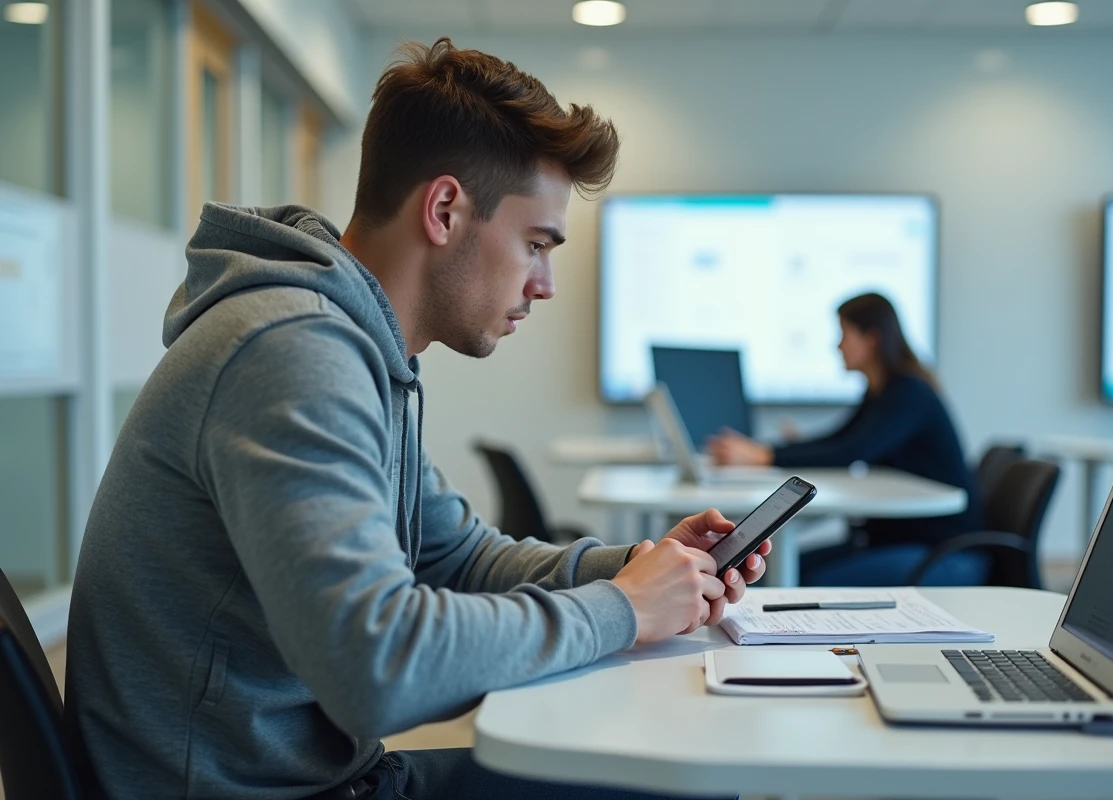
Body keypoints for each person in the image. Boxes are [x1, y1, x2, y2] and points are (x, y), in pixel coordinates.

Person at [64, 39, 769, 800]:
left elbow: (458, 557)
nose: (546, 284)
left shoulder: (356, 349)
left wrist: (639, 566)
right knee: (685, 781)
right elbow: (380, 671)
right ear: (444, 210)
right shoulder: (292, 352)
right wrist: (623, 610)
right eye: (535, 244)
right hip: (252, 791)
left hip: (302, 778)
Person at [707, 292, 983, 586]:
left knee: (803, 581)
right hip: (896, 543)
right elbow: (838, 440)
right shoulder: (880, 393)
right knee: (777, 572)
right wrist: (763, 451)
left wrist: (762, 457)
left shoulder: (909, 393)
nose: (837, 345)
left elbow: (849, 451)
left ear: (871, 338)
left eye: (844, 334)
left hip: (944, 556)